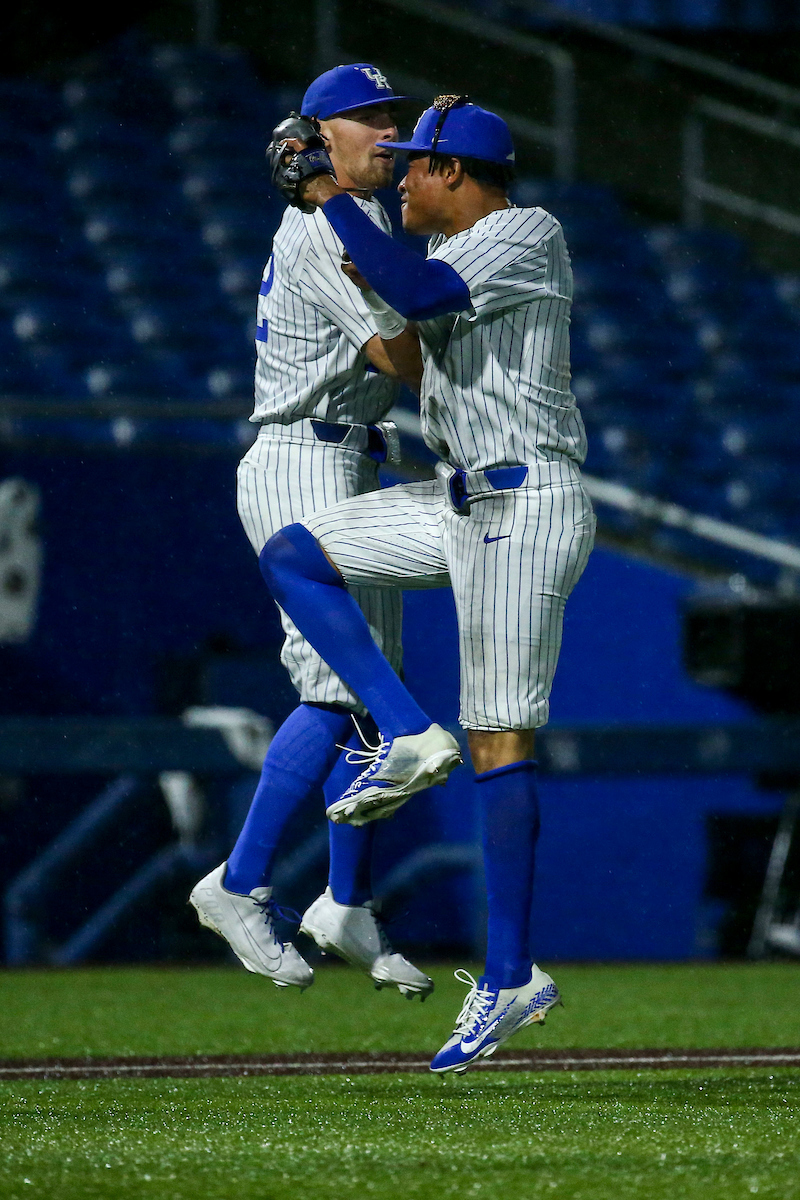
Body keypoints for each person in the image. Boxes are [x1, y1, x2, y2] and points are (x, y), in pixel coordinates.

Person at [258, 96, 596, 1071]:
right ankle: (403, 726)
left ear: (456, 174)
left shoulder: (521, 232)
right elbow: (393, 281)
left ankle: (506, 977)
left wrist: (322, 189)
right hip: (457, 500)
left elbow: (408, 289)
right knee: (294, 551)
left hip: (522, 504)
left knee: (497, 739)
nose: (400, 175)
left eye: (415, 164)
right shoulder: (457, 242)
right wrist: (332, 218)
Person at [189, 64, 434, 1001]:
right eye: (363, 118)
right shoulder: (312, 229)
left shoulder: (366, 220)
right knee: (338, 689)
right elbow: (399, 354)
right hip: (301, 456)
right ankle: (239, 882)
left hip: (351, 456)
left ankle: (346, 900)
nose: (384, 129)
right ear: (317, 136)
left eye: (389, 115)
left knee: (375, 699)